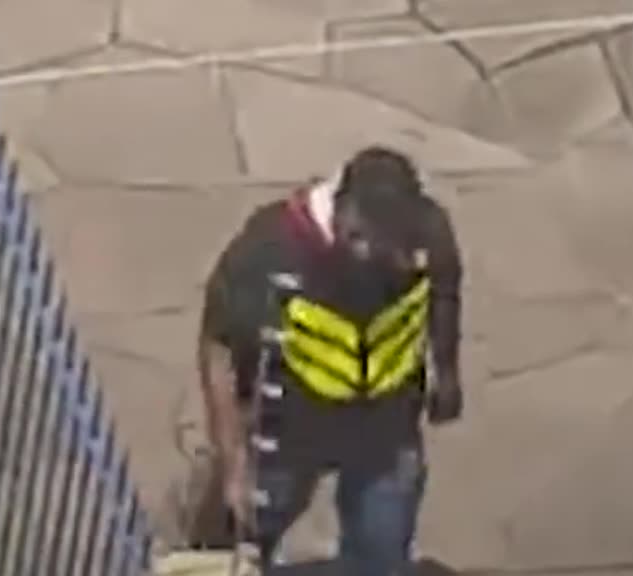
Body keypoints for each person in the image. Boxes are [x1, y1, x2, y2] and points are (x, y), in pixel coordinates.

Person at [196, 146, 464, 576]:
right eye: (375, 243)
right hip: (288, 431)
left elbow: (444, 293)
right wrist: (234, 464)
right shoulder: (270, 250)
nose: (395, 260)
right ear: (346, 214)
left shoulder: (427, 233)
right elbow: (218, 347)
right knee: (240, 543)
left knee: (382, 556)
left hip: (386, 425)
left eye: (400, 246)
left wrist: (447, 372)